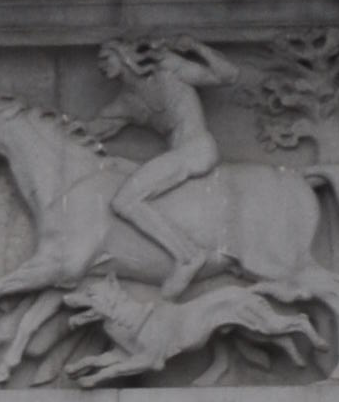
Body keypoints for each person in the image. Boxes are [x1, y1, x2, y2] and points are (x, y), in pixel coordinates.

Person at [91, 40, 236, 300]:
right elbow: (93, 130)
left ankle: (188, 256)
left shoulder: (169, 69)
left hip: (196, 150)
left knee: (124, 200)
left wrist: (196, 47)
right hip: (176, 156)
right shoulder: (128, 102)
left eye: (106, 57)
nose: (100, 64)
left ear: (124, 55)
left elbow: (227, 75)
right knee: (115, 167)